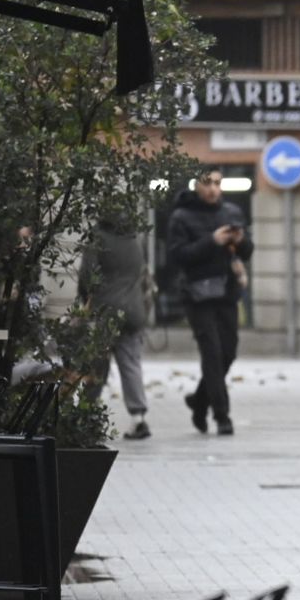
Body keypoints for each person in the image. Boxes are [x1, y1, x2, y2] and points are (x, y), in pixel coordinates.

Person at [168, 167, 252, 436]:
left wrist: (240, 242)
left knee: (228, 352)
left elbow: (248, 250)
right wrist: (211, 241)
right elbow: (178, 256)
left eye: (217, 183)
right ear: (197, 185)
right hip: (197, 294)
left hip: (227, 291)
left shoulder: (231, 213)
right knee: (212, 353)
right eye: (207, 183)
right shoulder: (181, 216)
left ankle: (199, 400)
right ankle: (222, 415)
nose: (213, 188)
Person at [80, 214, 154, 439]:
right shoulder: (135, 238)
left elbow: (87, 275)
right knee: (131, 363)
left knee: (97, 366)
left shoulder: (98, 237)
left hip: (105, 310)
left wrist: (85, 302)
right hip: (133, 310)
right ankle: (138, 417)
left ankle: (86, 415)